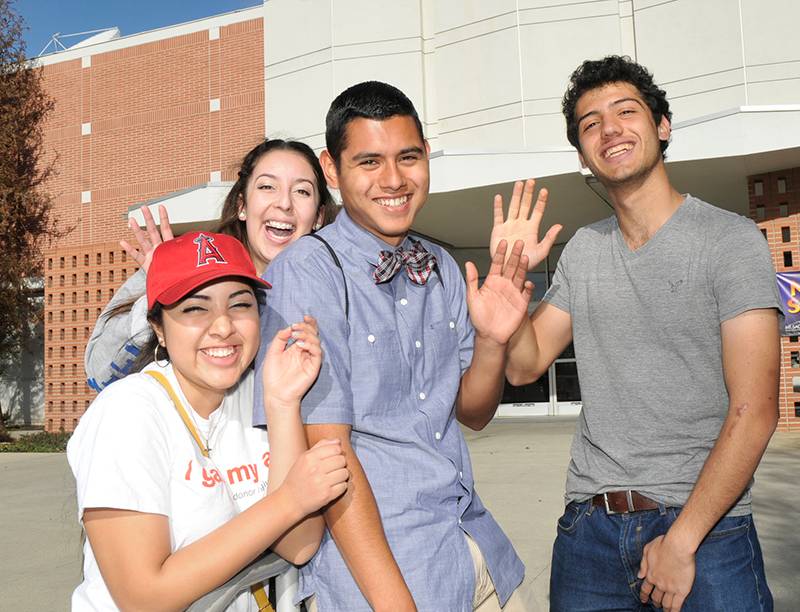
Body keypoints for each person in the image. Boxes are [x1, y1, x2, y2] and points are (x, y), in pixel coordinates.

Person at [498, 55, 780, 611]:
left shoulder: (730, 240)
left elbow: (757, 410)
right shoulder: (584, 249)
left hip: (708, 531)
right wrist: (509, 296)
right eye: (590, 124)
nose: (610, 130)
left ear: (662, 125)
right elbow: (523, 366)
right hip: (590, 532)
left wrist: (681, 541)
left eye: (626, 112)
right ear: (582, 154)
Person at [254, 81, 529, 612]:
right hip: (384, 576)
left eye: (408, 157)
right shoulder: (311, 269)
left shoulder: (443, 266)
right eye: (369, 162)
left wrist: (493, 342)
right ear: (331, 171)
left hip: (473, 547)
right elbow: (328, 455)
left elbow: (471, 414)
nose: (394, 180)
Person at [68, 231, 349, 610]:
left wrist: (282, 403)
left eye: (240, 305)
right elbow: (144, 596)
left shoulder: (257, 396)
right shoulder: (127, 412)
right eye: (195, 309)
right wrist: (289, 501)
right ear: (158, 328)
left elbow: (299, 546)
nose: (223, 326)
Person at [85, 138, 336, 391]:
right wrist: (160, 295)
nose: (284, 203)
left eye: (302, 191)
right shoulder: (187, 259)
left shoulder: (336, 289)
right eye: (267, 186)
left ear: (318, 216)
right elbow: (99, 375)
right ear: (242, 206)